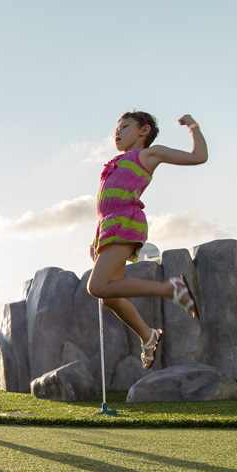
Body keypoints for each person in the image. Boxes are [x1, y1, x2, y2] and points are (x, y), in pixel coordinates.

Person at [87, 112, 207, 369]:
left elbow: (199, 157)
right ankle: (148, 336)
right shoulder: (117, 162)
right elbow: (106, 205)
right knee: (109, 297)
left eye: (125, 126)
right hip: (109, 226)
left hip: (125, 222)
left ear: (144, 130)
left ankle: (171, 289)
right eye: (116, 129)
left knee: (96, 287)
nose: (117, 132)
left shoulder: (149, 154)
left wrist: (192, 126)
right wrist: (97, 239)